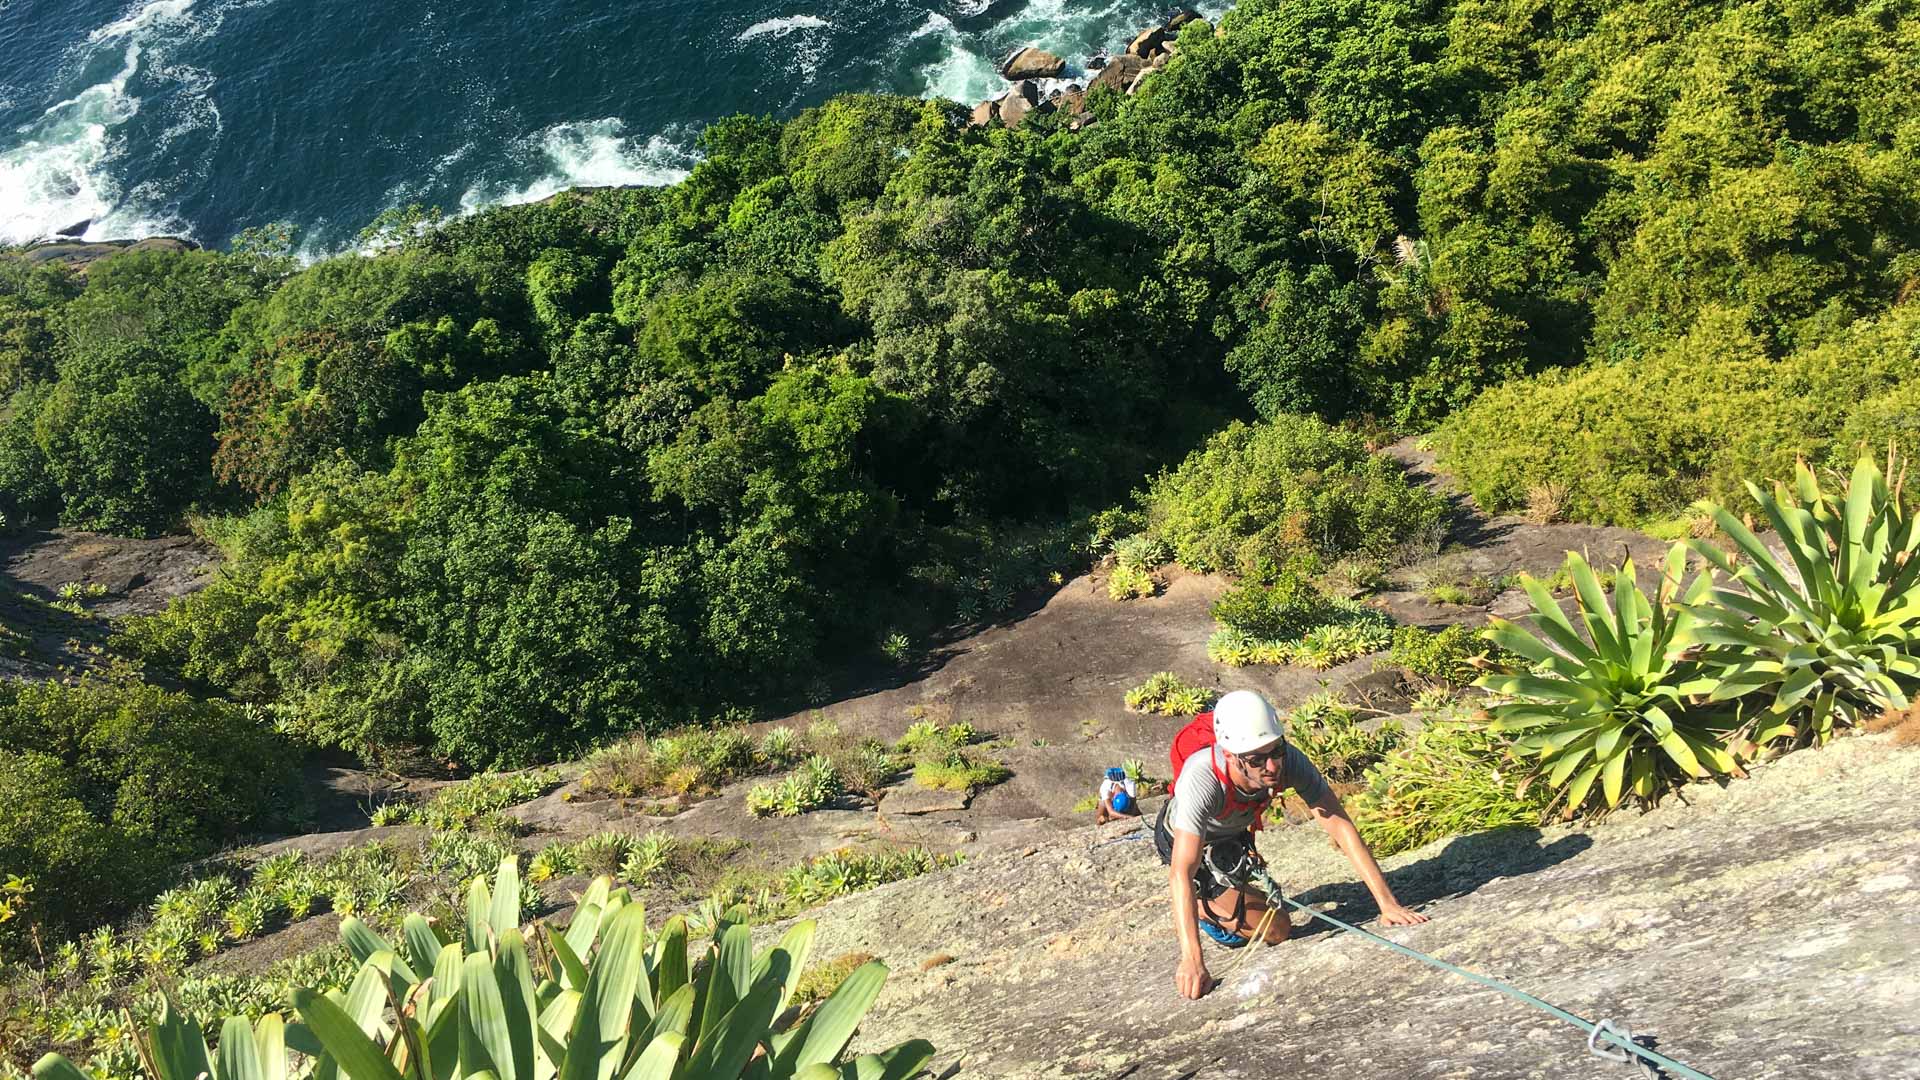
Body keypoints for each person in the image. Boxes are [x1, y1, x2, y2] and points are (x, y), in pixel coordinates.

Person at [1157, 689, 1429, 1000]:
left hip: (1231, 837)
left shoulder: (1289, 761)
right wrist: (1192, 959)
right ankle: (1203, 907)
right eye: (1257, 759)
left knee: (1265, 915)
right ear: (1230, 755)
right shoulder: (1202, 778)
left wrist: (1387, 904)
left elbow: (1339, 825)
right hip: (1188, 842)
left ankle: (1226, 896)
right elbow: (1182, 870)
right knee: (1278, 928)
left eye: (1276, 751)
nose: (1272, 766)